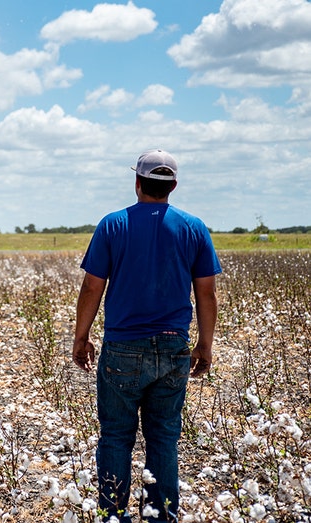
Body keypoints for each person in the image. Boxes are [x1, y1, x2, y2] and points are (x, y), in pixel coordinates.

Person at [71, 149, 221, 523]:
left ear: (137, 183)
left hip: (122, 347)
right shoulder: (194, 227)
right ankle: (160, 516)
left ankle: (114, 517)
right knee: (164, 439)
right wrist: (205, 343)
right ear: (173, 186)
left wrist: (81, 336)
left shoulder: (112, 224)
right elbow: (207, 293)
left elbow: (92, 287)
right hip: (174, 347)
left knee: (116, 438)